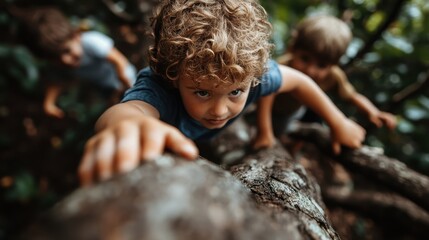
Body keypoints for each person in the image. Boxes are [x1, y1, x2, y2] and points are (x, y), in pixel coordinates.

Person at [78, 0, 366, 186]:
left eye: (235, 92)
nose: (219, 111)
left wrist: (338, 122)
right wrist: (129, 125)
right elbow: (128, 111)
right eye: (202, 93)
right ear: (173, 76)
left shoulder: (253, 73)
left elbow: (301, 82)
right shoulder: (160, 88)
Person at [253, 15, 397, 149]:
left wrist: (373, 112)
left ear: (333, 65)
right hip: (263, 108)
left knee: (290, 129)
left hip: (291, 113)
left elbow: (352, 96)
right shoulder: (283, 67)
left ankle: (293, 149)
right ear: (292, 49)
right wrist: (264, 132)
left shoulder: (334, 76)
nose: (310, 70)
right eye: (305, 58)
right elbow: (266, 96)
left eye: (321, 65)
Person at [15, 6, 137, 118]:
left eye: (67, 51)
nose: (65, 60)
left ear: (75, 36)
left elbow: (118, 61)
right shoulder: (61, 66)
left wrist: (125, 84)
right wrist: (49, 103)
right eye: (56, 58)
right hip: (107, 91)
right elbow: (56, 82)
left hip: (128, 79)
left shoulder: (90, 42)